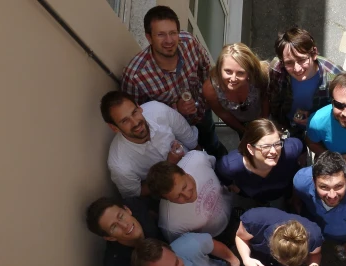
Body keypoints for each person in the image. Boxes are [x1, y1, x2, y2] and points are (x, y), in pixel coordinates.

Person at [121, 5, 227, 159]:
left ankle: (229, 176)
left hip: (202, 113)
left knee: (214, 145)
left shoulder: (189, 43)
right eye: (161, 35)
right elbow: (140, 117)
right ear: (149, 38)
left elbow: (206, 71)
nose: (169, 41)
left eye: (173, 33)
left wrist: (210, 100)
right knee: (190, 163)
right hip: (173, 134)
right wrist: (176, 109)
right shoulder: (135, 77)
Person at [102, 91, 199, 198]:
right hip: (168, 196)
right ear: (114, 128)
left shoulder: (158, 110)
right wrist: (168, 166)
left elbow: (191, 140)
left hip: (193, 164)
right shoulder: (120, 165)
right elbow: (136, 194)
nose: (135, 123)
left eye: (134, 112)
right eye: (125, 121)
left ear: (139, 108)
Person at [293, 151, 346, 259]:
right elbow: (297, 196)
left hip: (343, 238)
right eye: (324, 187)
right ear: (313, 182)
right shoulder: (301, 180)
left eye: (338, 186)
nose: (332, 195)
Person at [268, 27, 343, 139]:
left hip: (319, 126)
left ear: (314, 54)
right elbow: (273, 100)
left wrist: (315, 118)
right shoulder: (277, 68)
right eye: (289, 63)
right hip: (286, 123)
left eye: (301, 60)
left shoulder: (334, 76)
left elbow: (341, 110)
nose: (297, 69)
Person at [145, 154, 232, 242]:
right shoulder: (171, 226)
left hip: (229, 202)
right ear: (167, 199)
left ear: (184, 172)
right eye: (178, 196)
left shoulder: (198, 159)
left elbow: (215, 166)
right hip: (216, 237)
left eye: (184, 186)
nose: (187, 195)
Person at [216, 119, 303, 205]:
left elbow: (301, 145)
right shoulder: (231, 165)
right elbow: (222, 173)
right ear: (250, 149)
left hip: (284, 189)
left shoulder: (290, 150)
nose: (274, 151)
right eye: (266, 146)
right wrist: (236, 189)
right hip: (255, 195)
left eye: (277, 144)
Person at [235, 207, 323, 266]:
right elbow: (240, 237)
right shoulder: (254, 221)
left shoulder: (314, 236)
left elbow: (315, 254)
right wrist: (246, 259)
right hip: (259, 249)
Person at [203, 43, 270, 137]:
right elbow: (223, 114)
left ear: (249, 71)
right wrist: (243, 131)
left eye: (240, 73)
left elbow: (265, 99)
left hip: (264, 116)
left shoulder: (260, 75)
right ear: (219, 69)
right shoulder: (210, 89)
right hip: (239, 123)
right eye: (228, 71)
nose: (233, 79)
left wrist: (263, 125)